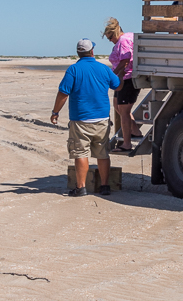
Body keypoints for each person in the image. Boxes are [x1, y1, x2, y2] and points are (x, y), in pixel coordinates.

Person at [50, 39, 120, 197]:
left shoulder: (73, 70)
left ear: (78, 53)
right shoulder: (103, 68)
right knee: (102, 153)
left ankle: (81, 188)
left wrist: (55, 112)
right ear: (92, 51)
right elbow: (117, 84)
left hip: (80, 119)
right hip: (101, 119)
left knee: (80, 153)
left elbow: (63, 93)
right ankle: (104, 186)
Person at [103, 18, 142, 152]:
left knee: (124, 111)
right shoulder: (127, 37)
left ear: (116, 32)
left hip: (127, 77)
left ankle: (127, 143)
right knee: (117, 106)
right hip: (121, 79)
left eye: (110, 37)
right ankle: (135, 131)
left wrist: (113, 73)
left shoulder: (124, 40)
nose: (110, 40)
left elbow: (125, 60)